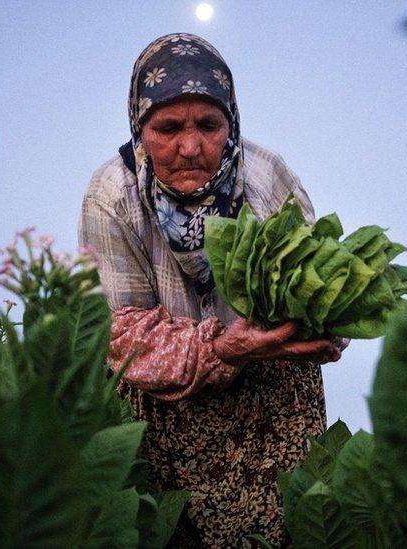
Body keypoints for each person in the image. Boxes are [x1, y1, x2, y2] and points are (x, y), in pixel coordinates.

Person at [79, 33, 344, 547]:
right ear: (139, 126)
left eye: (208, 125)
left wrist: (320, 321)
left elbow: (320, 281)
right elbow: (120, 331)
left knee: (290, 531)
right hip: (167, 408)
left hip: (273, 404)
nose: (190, 146)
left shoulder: (266, 178)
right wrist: (221, 347)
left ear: (232, 122)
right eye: (167, 127)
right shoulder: (113, 194)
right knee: (171, 533)